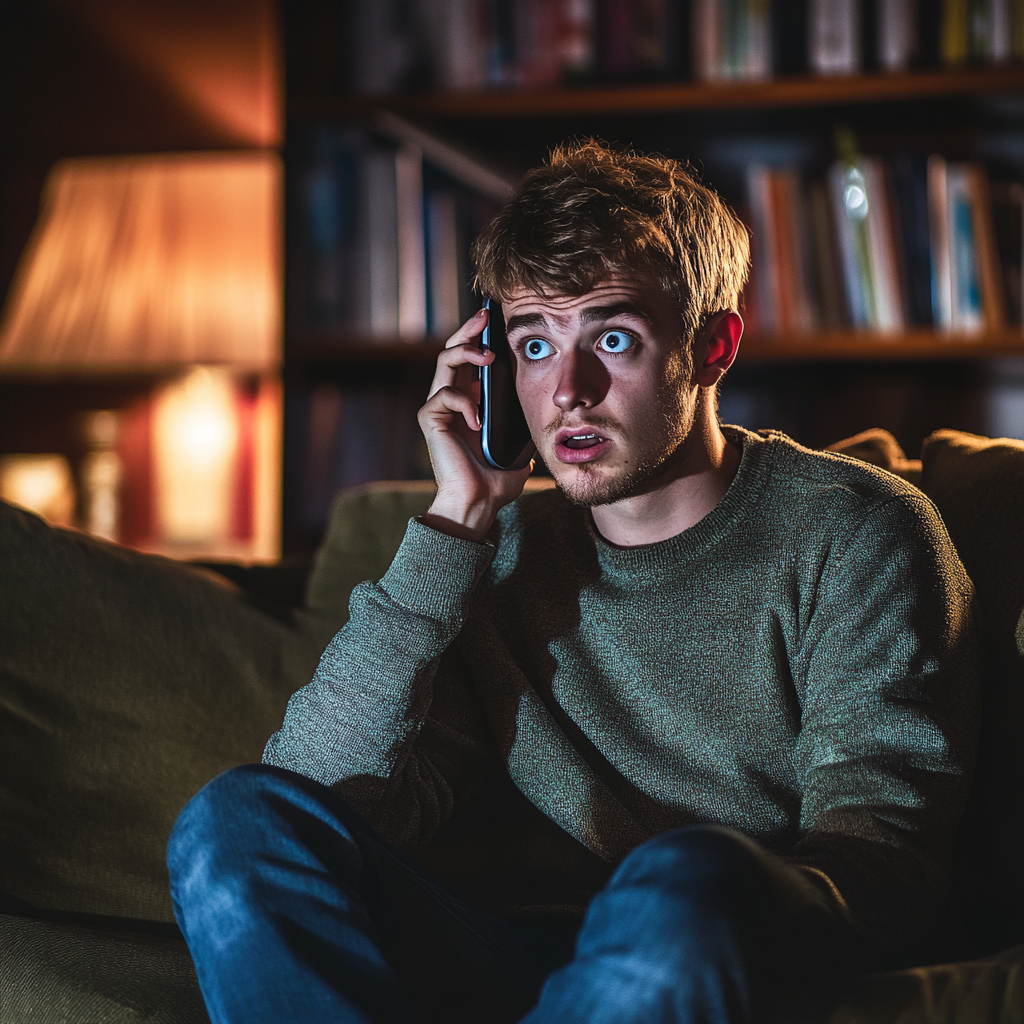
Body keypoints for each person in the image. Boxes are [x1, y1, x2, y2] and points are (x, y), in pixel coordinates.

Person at [167, 140, 980, 1024]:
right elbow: (316, 808)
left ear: (713, 345)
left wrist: (699, 899)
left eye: (614, 337)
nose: (567, 392)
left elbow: (884, 865)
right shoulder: (498, 556)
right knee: (231, 820)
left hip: (719, 936)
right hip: (523, 956)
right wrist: (457, 521)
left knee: (684, 872)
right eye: (535, 344)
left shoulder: (859, 531)